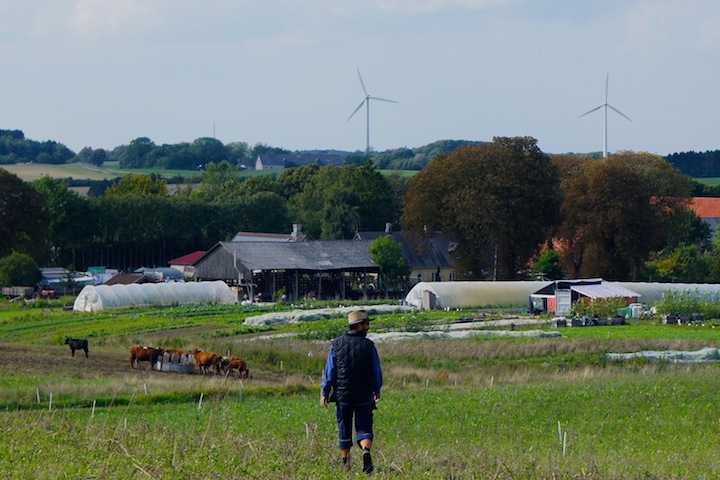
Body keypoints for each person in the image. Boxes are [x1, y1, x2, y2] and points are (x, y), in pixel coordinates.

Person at [321, 309, 383, 474]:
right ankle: (366, 451)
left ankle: (346, 463)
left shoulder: (336, 344)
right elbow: (376, 371)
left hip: (343, 395)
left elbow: (330, 371)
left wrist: (325, 392)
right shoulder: (369, 346)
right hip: (364, 394)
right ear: (360, 326)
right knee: (364, 428)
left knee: (344, 428)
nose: (368, 327)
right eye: (367, 324)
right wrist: (377, 389)